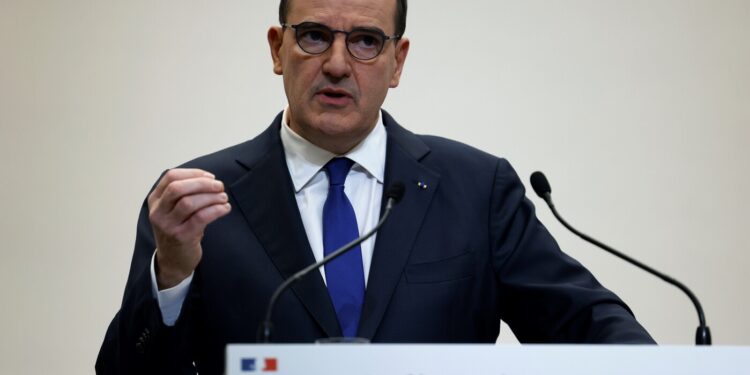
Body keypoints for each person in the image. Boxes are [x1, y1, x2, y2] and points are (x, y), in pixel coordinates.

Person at [96, 0, 654, 373]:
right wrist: (171, 274)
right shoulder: (198, 200)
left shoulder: (476, 189)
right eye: (314, 36)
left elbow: (583, 323)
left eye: (366, 41)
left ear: (397, 61)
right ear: (276, 48)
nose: (338, 64)